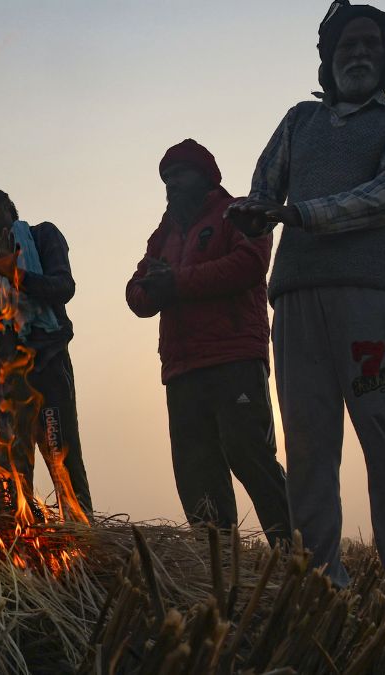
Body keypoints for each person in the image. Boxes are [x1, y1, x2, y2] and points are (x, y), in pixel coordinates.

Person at [226, 1, 385, 601]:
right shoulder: (299, 121)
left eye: (371, 44)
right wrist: (249, 213)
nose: (359, 54)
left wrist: (298, 214)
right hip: (296, 301)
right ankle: (318, 589)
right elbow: (264, 188)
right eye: (347, 46)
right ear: (328, 59)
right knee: (309, 451)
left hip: (372, 298)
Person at [126, 139, 290, 546]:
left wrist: (176, 283)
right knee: (196, 470)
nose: (171, 184)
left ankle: (298, 556)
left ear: (205, 176)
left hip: (233, 357)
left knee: (249, 455)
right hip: (181, 368)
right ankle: (219, 567)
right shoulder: (163, 235)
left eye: (179, 174)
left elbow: (250, 265)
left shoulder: (238, 214)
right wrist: (150, 289)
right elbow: (136, 293)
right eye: (166, 178)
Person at [0, 186, 92, 522]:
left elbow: (64, 287)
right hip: (2, 371)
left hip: (45, 359)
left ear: (3, 206)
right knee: (9, 468)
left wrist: (14, 274)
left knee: (63, 456)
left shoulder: (42, 235)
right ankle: (19, 542)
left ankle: (85, 539)